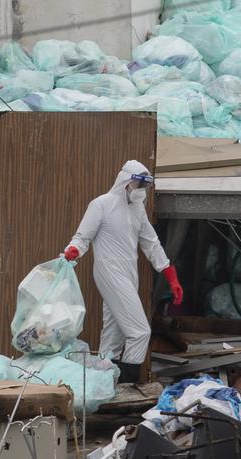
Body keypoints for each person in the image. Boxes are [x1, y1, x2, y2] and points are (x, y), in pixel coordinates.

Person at [62, 160, 184, 384]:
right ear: (125, 181)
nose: (140, 188)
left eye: (144, 184)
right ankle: (128, 382)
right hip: (109, 271)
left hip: (129, 272)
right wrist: (73, 251)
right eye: (137, 182)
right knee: (140, 332)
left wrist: (169, 274)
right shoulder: (102, 204)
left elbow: (151, 242)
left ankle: (102, 382)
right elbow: (82, 237)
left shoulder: (138, 210)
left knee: (114, 333)